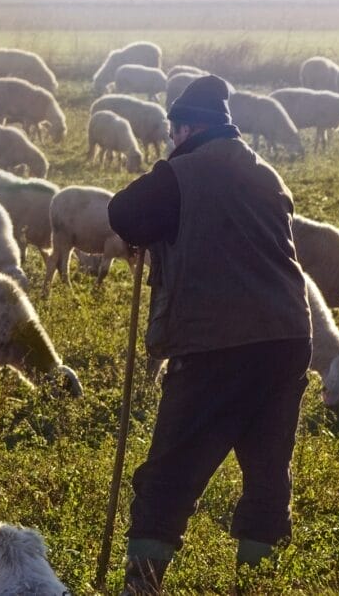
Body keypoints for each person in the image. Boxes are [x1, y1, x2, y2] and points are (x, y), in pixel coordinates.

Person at [106, 75, 312, 593]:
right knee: (267, 472)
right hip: (287, 339)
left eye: (175, 132)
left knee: (172, 467)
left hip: (217, 342)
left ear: (186, 128)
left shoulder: (184, 171)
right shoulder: (266, 173)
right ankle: (257, 583)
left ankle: (141, 583)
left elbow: (123, 213)